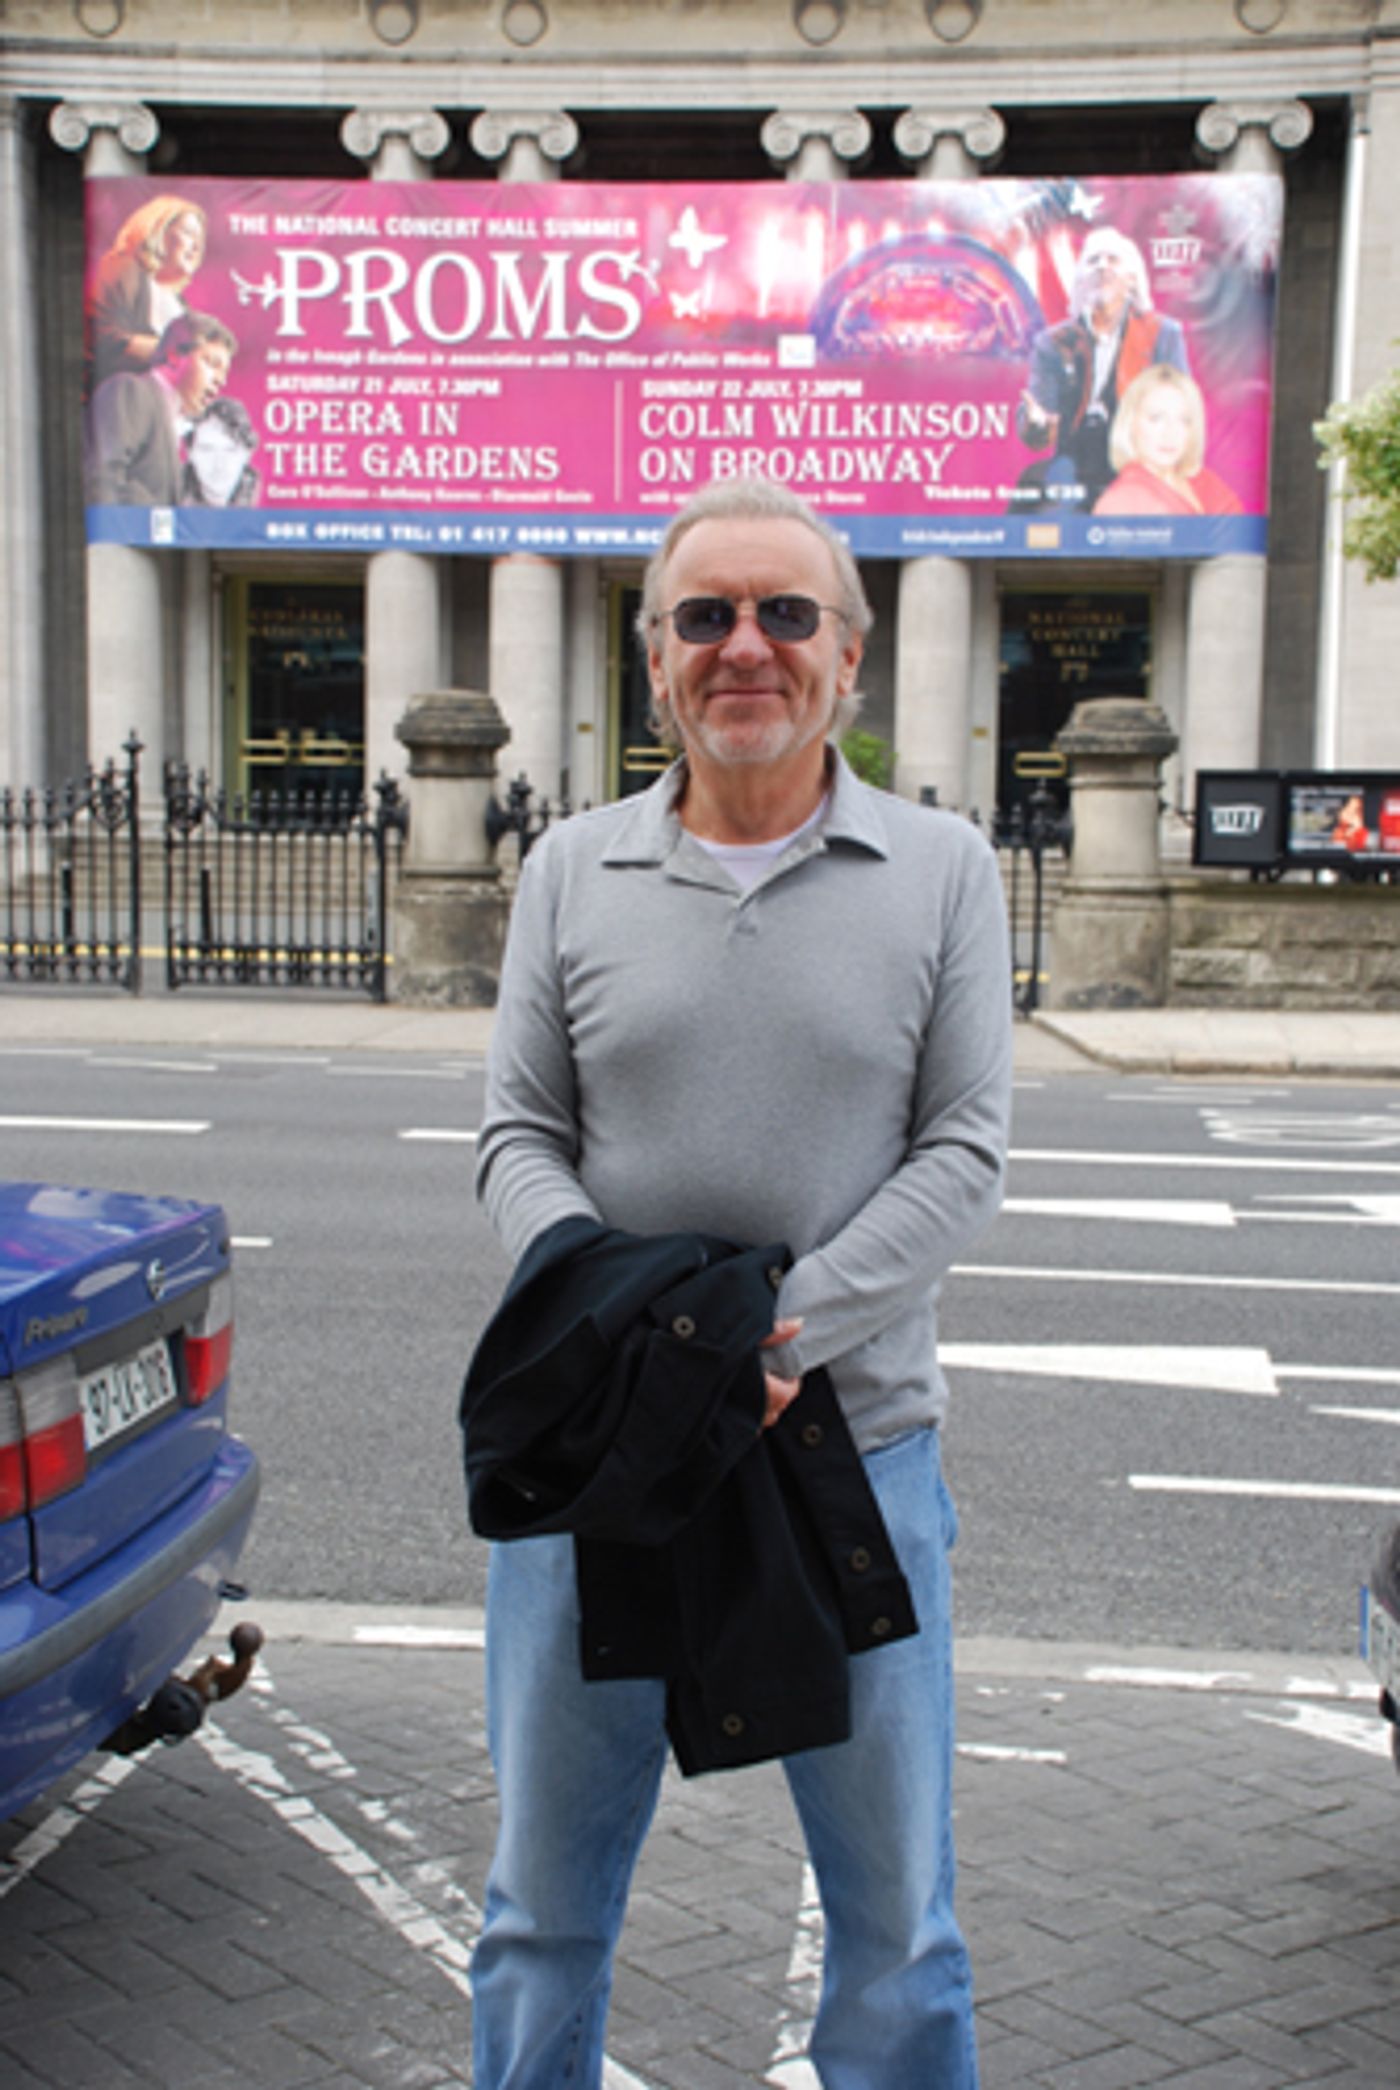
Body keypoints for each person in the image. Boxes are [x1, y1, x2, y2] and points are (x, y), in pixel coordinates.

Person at [469, 475, 1013, 2089]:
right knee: (539, 1917)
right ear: (655, 662)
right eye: (704, 616)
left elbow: (964, 1152)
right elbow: (519, 1138)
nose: (746, 648)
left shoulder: (942, 870)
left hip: (852, 1461)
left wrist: (768, 1338)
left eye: (788, 614)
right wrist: (641, 1343)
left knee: (902, 1932)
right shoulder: (571, 871)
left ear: (850, 656)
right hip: (606, 1472)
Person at [1015, 225, 1189, 510]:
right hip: (1073, 466)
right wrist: (1037, 424)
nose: (1102, 267)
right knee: (1036, 502)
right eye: (1093, 261)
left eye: (1112, 260)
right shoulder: (1052, 343)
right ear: (1080, 281)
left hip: (1138, 465)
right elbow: (1036, 419)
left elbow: (1183, 414)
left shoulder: (1163, 335)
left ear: (1131, 279)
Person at [87, 311, 236, 507]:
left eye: (224, 372)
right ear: (174, 357)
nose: (221, 380)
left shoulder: (174, 424)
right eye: (212, 363)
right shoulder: (131, 392)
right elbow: (103, 482)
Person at [86, 194, 208, 395]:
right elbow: (105, 340)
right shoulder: (124, 268)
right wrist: (179, 354)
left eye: (200, 240)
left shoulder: (180, 305)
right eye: (188, 233)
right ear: (157, 230)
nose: (196, 247)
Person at [1093, 365, 1243, 518]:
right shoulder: (1122, 501)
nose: (1170, 433)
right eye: (1156, 418)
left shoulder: (1206, 482)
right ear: (1131, 423)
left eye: (1184, 421)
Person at [180, 396, 260, 507]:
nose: (219, 464)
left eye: (230, 451)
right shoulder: (165, 500)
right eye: (207, 450)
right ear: (190, 453)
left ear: (246, 454)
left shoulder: (266, 506)